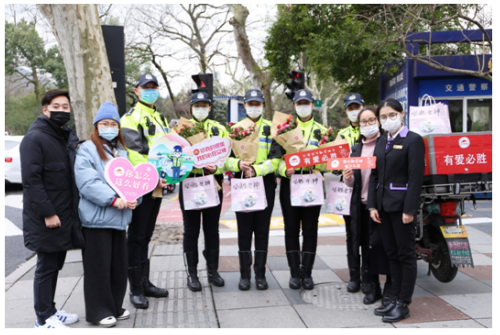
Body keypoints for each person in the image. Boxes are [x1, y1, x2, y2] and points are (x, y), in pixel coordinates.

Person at [20, 89, 81, 328]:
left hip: (64, 214)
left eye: (66, 107)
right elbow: (31, 181)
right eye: (57, 106)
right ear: (45, 109)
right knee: (46, 266)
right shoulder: (34, 138)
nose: (62, 111)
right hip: (47, 216)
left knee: (55, 264)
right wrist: (48, 213)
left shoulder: (64, 136)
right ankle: (43, 319)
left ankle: (51, 310)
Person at [75, 102, 139, 327]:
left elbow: (133, 181)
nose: (109, 127)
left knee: (117, 266)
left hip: (119, 220)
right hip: (97, 219)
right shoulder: (87, 150)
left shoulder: (121, 151)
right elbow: (87, 182)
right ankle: (98, 311)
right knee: (98, 268)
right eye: (104, 123)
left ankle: (114, 305)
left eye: (113, 124)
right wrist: (113, 199)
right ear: (96, 126)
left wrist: (134, 199)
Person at [368, 98, 425, 323]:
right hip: (382, 207)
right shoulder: (382, 142)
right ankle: (393, 299)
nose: (388, 120)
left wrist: (409, 209)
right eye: (383, 117)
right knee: (391, 254)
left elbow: (415, 177)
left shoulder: (413, 140)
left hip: (401, 208)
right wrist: (372, 205)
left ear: (402, 115)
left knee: (406, 255)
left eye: (392, 115)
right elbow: (374, 176)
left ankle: (404, 302)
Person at [225, 89, 283, 290]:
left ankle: (260, 274)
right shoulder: (234, 129)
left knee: (262, 230)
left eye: (258, 104)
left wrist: (257, 169)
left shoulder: (272, 129)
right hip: (242, 181)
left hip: (264, 182)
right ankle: (244, 275)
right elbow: (225, 159)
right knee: (244, 230)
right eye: (250, 104)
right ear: (244, 106)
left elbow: (276, 159)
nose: (254, 107)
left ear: (263, 106)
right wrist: (237, 166)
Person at [121, 73, 169, 309]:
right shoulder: (131, 117)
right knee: (136, 237)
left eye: (153, 87)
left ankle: (145, 282)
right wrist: (153, 176)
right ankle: (136, 289)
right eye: (145, 87)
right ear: (137, 90)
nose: (150, 91)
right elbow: (134, 152)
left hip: (158, 185)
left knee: (146, 236)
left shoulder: (160, 117)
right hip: (142, 185)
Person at [277, 89, 327, 290]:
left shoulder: (322, 131)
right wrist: (284, 171)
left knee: (310, 230)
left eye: (307, 102)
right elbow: (276, 159)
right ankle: (294, 274)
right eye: (299, 103)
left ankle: (307, 273)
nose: (303, 106)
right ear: (295, 106)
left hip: (312, 183)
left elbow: (328, 162)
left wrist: (318, 165)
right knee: (291, 229)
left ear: (313, 104)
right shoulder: (284, 129)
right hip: (291, 183)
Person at [342, 106, 392, 305]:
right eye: (364, 122)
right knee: (364, 246)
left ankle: (389, 288)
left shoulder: (386, 143)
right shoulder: (357, 148)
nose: (368, 125)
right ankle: (372, 287)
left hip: (380, 207)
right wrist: (347, 178)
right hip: (361, 206)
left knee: (383, 247)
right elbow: (353, 182)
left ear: (378, 121)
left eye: (372, 120)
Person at [180, 91, 229, 291]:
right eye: (197, 105)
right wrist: (188, 164)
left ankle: (213, 271)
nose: (200, 109)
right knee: (191, 231)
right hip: (189, 184)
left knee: (212, 230)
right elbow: (174, 156)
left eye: (204, 105)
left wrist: (217, 167)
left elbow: (228, 156)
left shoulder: (219, 129)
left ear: (210, 107)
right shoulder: (182, 130)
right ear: (191, 108)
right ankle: (192, 274)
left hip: (212, 184)